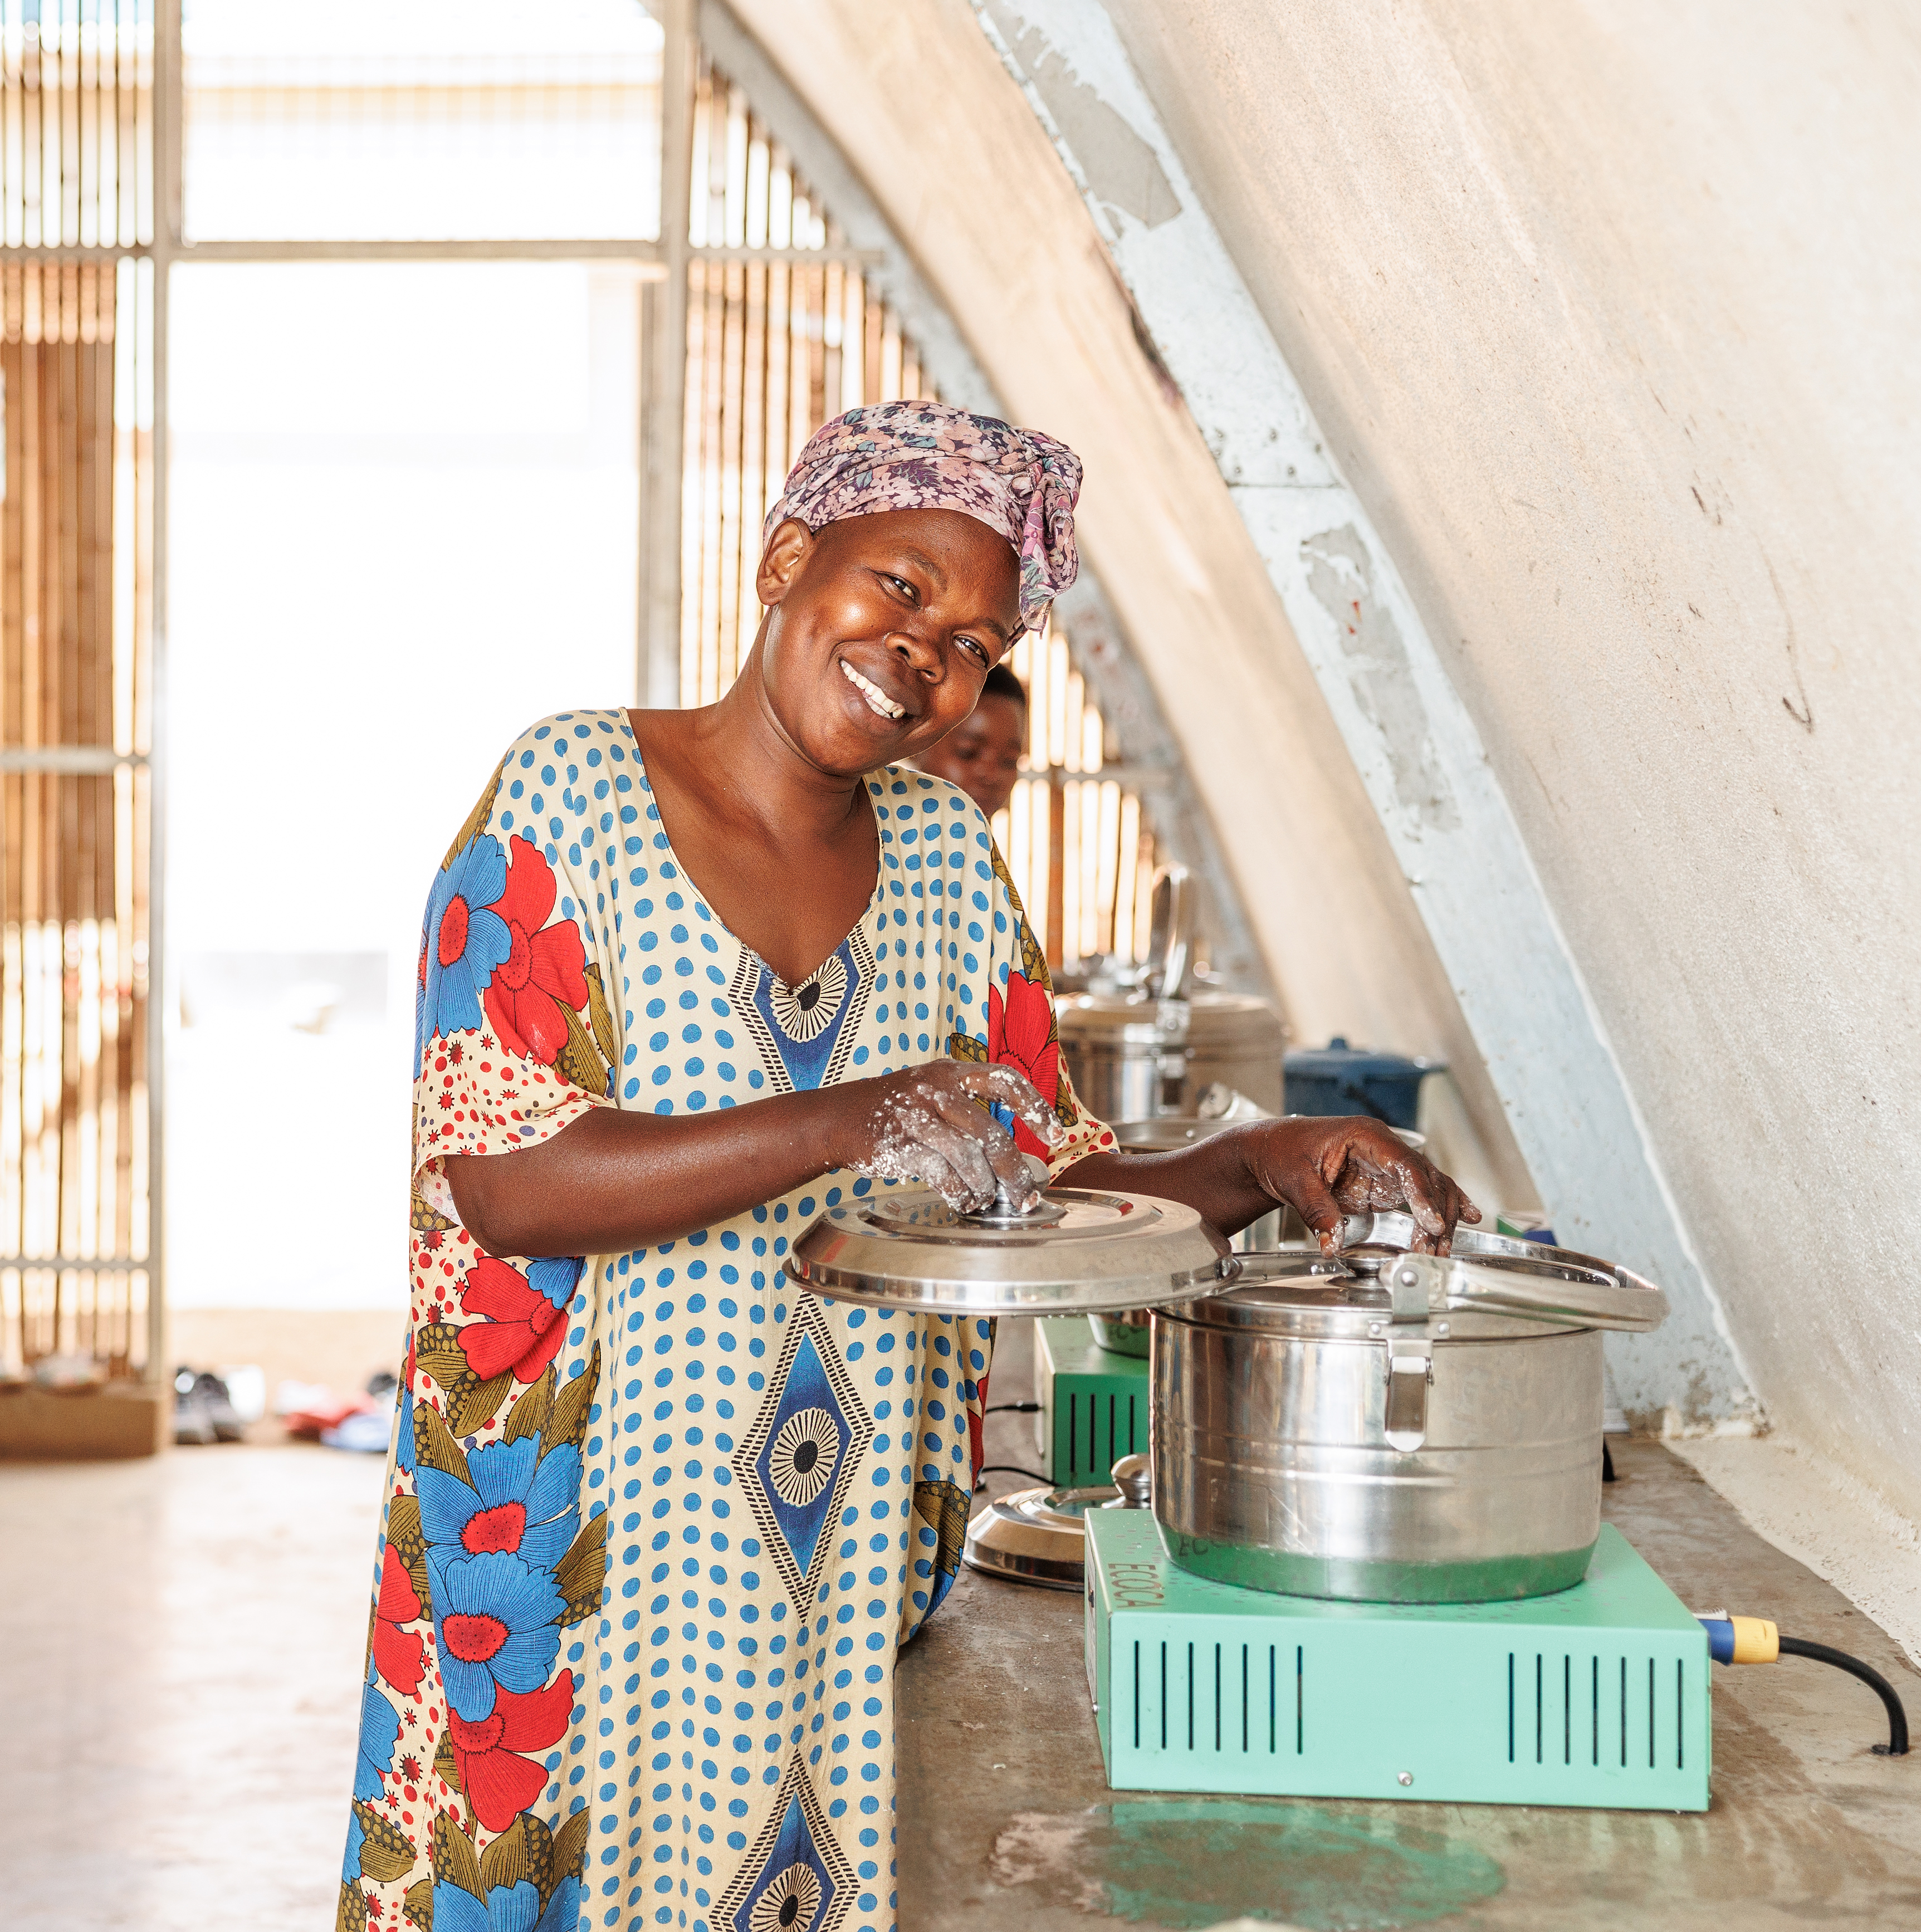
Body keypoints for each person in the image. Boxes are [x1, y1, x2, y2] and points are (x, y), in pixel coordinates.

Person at [339, 402, 1469, 1932]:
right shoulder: (575, 795)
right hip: (570, 1538)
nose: (926, 655)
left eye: (975, 641)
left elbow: (1033, 1176)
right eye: (902, 590)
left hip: (822, 1547)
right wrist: (860, 1115)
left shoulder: (945, 856)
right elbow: (509, 1180)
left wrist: (1259, 1158)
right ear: (789, 560)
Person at [911, 658, 1027, 820]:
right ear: (916, 742)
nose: (991, 776)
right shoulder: (876, 838)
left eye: (1009, 760)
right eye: (968, 752)